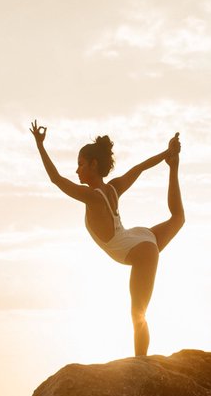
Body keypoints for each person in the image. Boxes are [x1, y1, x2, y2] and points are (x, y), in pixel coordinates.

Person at [29, 120, 185, 356]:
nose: (77, 170)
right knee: (178, 218)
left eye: (80, 164)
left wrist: (40, 145)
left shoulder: (91, 196)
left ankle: (140, 369)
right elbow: (140, 168)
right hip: (139, 238)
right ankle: (174, 166)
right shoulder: (113, 188)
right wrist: (168, 154)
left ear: (93, 164)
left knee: (138, 314)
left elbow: (56, 179)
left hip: (139, 250)